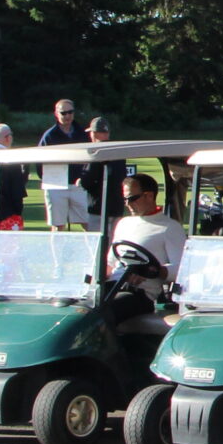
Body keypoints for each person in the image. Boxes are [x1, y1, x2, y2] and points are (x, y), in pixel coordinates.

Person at [108, 172, 185, 314]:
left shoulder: (169, 227)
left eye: (132, 199)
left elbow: (181, 269)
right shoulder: (124, 223)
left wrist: (153, 271)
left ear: (149, 196)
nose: (127, 204)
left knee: (105, 310)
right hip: (115, 285)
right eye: (125, 199)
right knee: (82, 307)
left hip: (141, 293)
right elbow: (111, 263)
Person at [80, 117, 131, 222]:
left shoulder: (96, 153)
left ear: (93, 133)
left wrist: (80, 181)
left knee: (99, 238)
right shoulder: (118, 152)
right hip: (117, 208)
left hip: (98, 209)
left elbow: (87, 181)